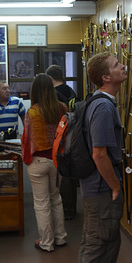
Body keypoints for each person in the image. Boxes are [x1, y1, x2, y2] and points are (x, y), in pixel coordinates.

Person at [74, 52, 127, 263]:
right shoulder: (104, 108)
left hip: (94, 188)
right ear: (106, 77)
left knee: (96, 244)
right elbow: (99, 154)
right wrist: (115, 186)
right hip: (101, 189)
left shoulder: (98, 103)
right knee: (98, 247)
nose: (123, 67)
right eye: (117, 65)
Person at [21, 73, 67, 252]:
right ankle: (61, 237)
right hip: (57, 161)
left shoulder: (32, 113)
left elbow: (26, 140)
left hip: (38, 161)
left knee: (41, 202)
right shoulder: (62, 108)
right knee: (56, 198)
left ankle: (47, 242)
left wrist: (27, 160)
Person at [46, 64, 79, 220]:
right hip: (73, 136)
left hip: (60, 137)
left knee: (62, 176)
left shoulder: (53, 94)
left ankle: (66, 210)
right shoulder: (70, 91)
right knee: (70, 174)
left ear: (50, 78)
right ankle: (71, 208)